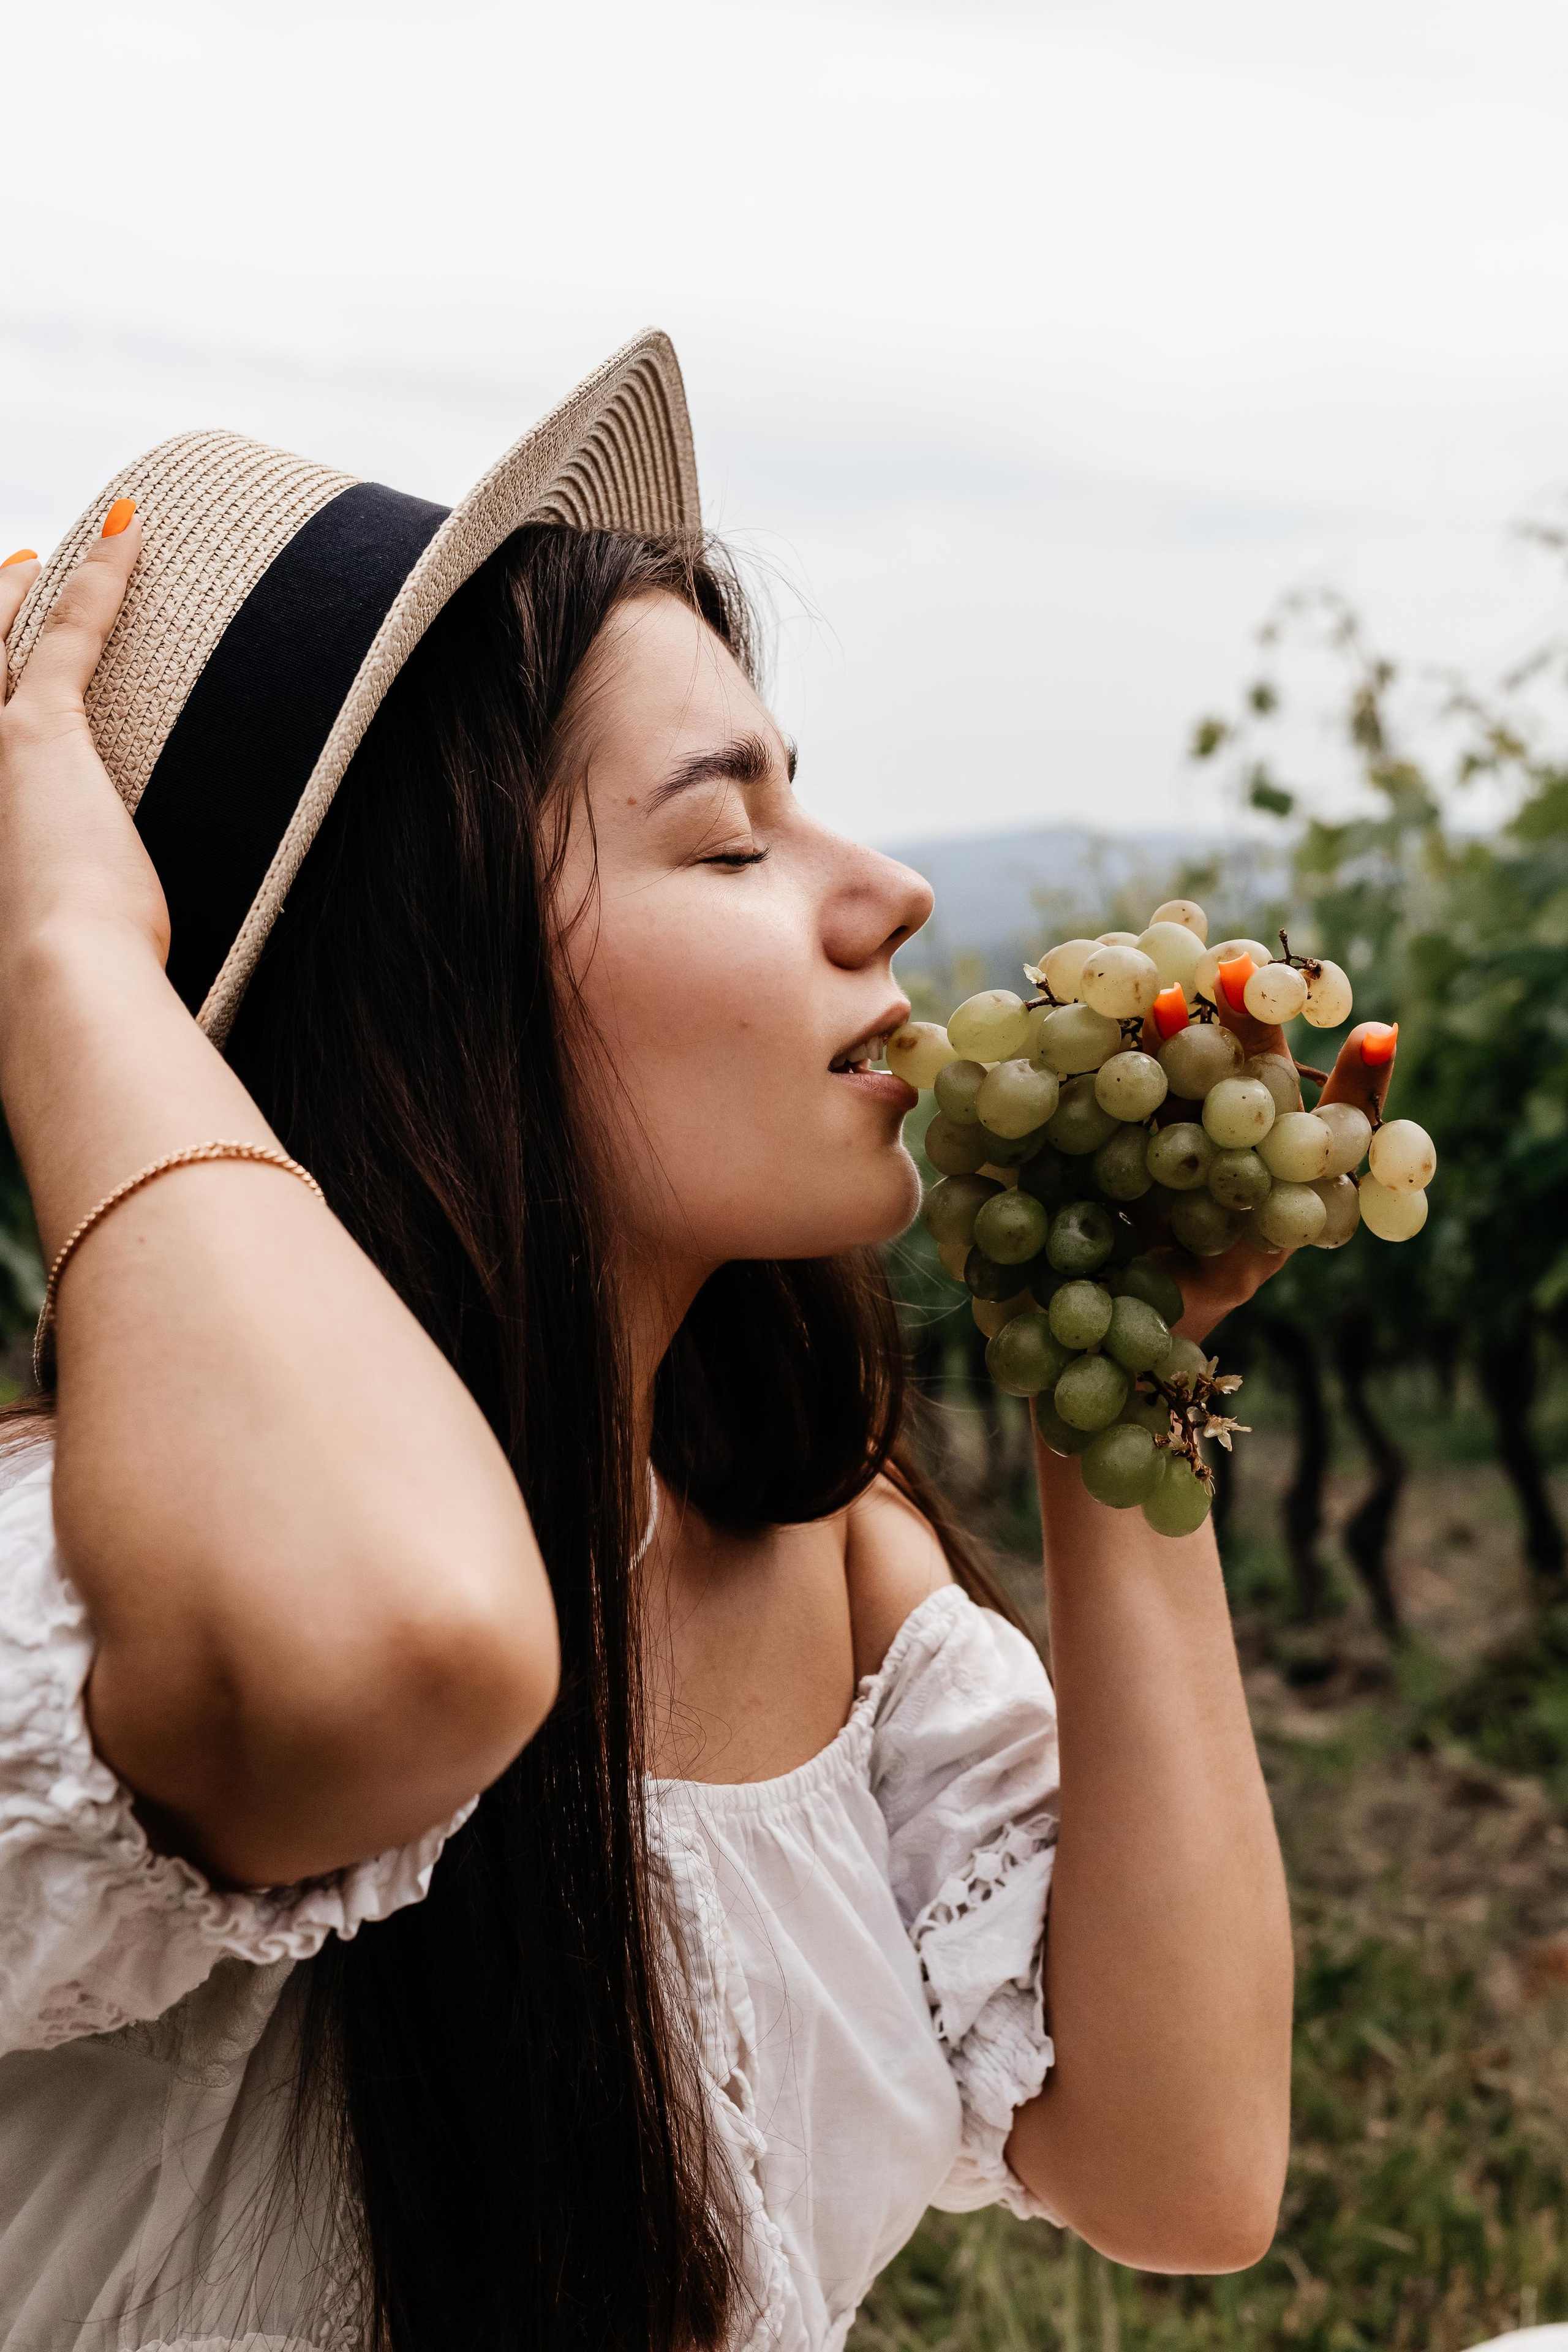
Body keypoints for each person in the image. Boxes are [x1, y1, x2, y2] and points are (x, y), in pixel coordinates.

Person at [0, 334, 1373, 2352]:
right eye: (727, 843)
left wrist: (1127, 1397)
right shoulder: (91, 1600)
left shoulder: (815, 1553)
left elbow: (1184, 2165)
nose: (889, 893)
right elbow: (398, 1652)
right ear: (435, 981)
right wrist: (65, 962)